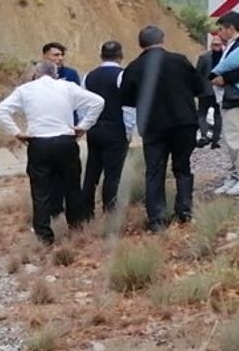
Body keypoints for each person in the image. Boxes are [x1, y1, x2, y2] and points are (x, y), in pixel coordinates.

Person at [0, 60, 105, 245]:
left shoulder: (25, 90)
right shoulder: (67, 87)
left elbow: (1, 110)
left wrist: (17, 132)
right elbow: (98, 101)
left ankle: (44, 235)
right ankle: (76, 228)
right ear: (56, 73)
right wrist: (84, 126)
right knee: (72, 187)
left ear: (36, 74)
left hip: (39, 143)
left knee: (40, 191)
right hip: (65, 141)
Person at [120, 25, 203, 231]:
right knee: (182, 167)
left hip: (153, 125)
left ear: (141, 44)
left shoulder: (134, 67)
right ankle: (184, 212)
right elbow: (199, 87)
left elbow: (126, 98)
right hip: (183, 122)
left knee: (154, 171)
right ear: (162, 39)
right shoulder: (179, 60)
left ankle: (157, 219)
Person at [81, 41, 136, 216]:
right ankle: (109, 211)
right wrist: (128, 131)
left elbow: (83, 105)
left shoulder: (88, 76)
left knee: (92, 172)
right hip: (115, 128)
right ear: (121, 56)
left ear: (101, 55)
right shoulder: (122, 75)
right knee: (112, 174)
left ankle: (86, 211)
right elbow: (129, 106)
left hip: (95, 128)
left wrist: (85, 124)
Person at [210, 13, 239, 194]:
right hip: (229, 98)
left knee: (234, 138)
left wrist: (226, 79)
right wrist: (215, 53)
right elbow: (215, 73)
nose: (220, 32)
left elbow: (222, 74)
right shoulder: (229, 47)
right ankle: (234, 175)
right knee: (230, 139)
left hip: (235, 98)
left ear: (230, 28)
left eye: (222, 28)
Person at [195, 32, 224, 149]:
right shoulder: (225, 57)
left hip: (205, 91)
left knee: (202, 114)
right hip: (219, 92)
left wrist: (196, 89)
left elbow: (197, 74)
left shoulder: (204, 57)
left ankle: (205, 135)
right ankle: (215, 141)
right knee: (218, 115)